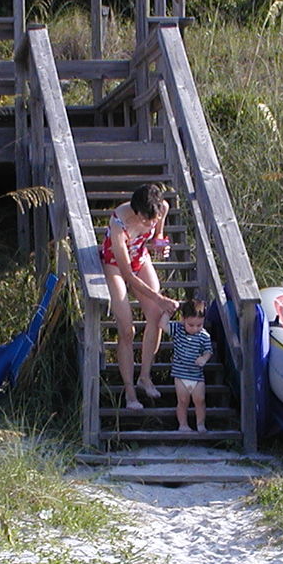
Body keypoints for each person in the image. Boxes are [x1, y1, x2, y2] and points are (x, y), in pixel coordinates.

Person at [100, 182, 177, 410]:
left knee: (155, 316)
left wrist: (159, 240)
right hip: (116, 264)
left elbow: (159, 229)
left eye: (153, 219)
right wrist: (159, 297)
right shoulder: (119, 224)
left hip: (140, 256)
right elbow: (128, 276)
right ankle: (129, 391)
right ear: (136, 212)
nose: (150, 223)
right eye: (146, 220)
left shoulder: (159, 207)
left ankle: (145, 376)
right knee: (127, 329)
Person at [161, 298, 213, 433]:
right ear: (183, 319)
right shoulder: (177, 330)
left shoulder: (204, 336)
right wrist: (168, 312)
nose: (195, 328)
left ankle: (200, 424)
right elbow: (163, 325)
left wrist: (204, 358)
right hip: (180, 374)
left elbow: (208, 351)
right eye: (191, 325)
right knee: (183, 401)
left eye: (199, 325)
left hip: (197, 375)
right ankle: (183, 424)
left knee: (200, 400)